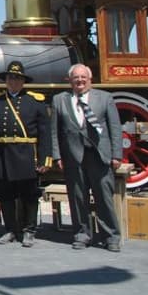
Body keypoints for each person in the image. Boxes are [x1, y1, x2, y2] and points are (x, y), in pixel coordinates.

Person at [51, 63, 123, 252]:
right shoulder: (60, 100)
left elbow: (115, 128)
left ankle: (111, 237)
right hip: (73, 156)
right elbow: (54, 131)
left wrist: (117, 154)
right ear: (70, 81)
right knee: (78, 199)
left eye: (83, 77)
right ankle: (82, 235)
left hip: (99, 155)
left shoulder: (105, 98)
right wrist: (57, 155)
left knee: (104, 199)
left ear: (90, 79)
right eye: (76, 78)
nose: (80, 81)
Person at [0, 61, 51, 247]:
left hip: (26, 154)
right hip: (3, 154)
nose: (13, 81)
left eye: (17, 78)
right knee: (5, 194)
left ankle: (29, 230)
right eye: (10, 78)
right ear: (5, 80)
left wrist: (44, 158)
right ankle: (10, 230)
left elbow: (45, 133)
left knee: (29, 195)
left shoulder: (35, 102)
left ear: (23, 81)